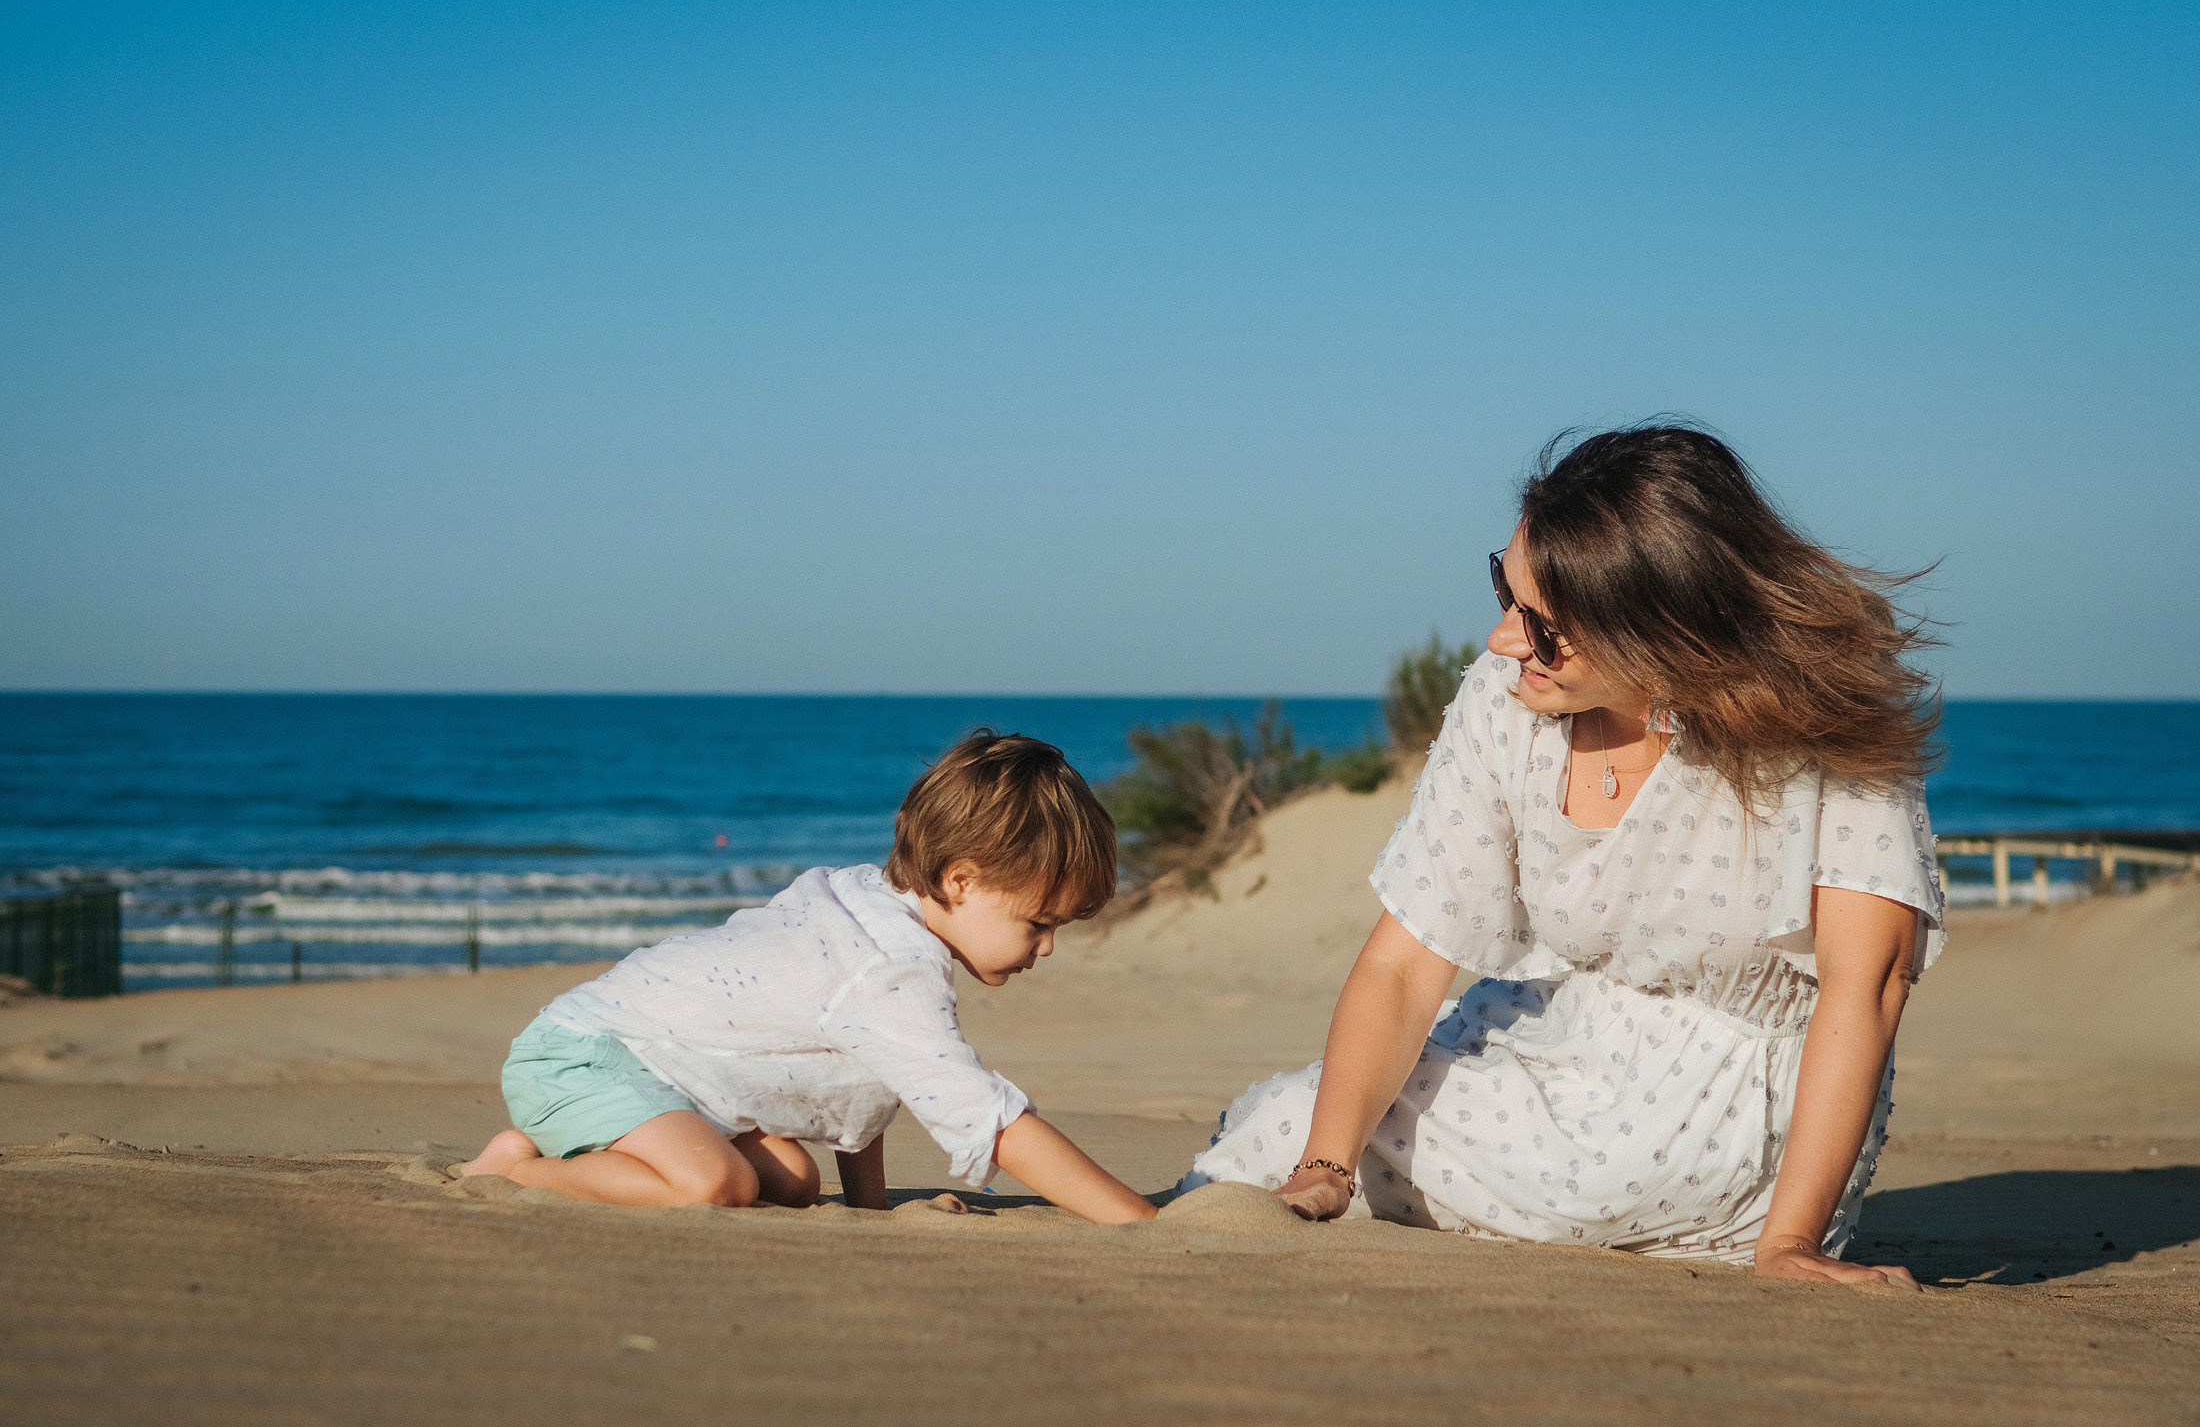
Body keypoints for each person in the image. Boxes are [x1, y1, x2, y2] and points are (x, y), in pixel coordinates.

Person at [1180, 425, 1942, 1286]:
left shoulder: (1828, 732)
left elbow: (1868, 985)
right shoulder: (1506, 701)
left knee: (1337, 1149)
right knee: (1286, 1131)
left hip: (1723, 1119)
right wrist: (1326, 1168)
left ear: (1664, 632)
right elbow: (1403, 965)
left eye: (1546, 630)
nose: (1504, 641)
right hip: (1554, 1040)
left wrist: (1790, 1243)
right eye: (1505, 593)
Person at [461, 731, 1158, 1225]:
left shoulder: (867, 902)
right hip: (584, 1056)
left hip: (673, 1077)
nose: (1047, 948)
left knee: (794, 1182)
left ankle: (595, 1150)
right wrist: (1141, 1222)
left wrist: (870, 1211)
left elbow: (864, 1076)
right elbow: (991, 1123)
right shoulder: (888, 968)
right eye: (1038, 923)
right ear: (962, 880)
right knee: (714, 1184)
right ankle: (516, 1168)